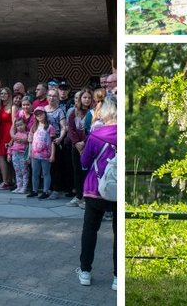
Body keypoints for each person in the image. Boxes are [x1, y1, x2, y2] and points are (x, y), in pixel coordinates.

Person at [76, 95, 118, 291]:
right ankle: (118, 277)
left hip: (96, 189)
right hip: (118, 192)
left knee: (90, 231)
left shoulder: (96, 136)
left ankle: (85, 271)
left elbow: (84, 163)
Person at [28, 107, 56, 199]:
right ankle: (34, 190)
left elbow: (53, 142)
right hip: (35, 155)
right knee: (35, 173)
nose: (39, 116)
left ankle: (45, 191)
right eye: (37, 114)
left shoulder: (50, 127)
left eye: (41, 113)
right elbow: (30, 141)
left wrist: (52, 154)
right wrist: (29, 153)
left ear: (45, 114)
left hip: (46, 155)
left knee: (46, 173)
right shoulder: (34, 127)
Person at [0, 87, 15, 189]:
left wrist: (13, 137)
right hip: (0, 133)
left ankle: (11, 180)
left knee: (9, 157)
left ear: (9, 95)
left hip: (9, 133)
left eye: (5, 94)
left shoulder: (13, 107)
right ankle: (5, 180)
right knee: (0, 157)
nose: (3, 96)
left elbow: (14, 123)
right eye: (1, 94)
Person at [8, 117, 30, 194]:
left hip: (23, 155)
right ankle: (19, 186)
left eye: (21, 125)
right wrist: (8, 154)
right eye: (17, 126)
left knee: (24, 171)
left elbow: (29, 146)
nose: (19, 127)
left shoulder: (27, 134)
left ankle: (24, 187)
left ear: (25, 124)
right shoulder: (15, 135)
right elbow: (10, 145)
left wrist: (28, 157)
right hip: (15, 154)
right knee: (17, 171)